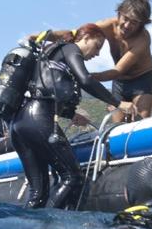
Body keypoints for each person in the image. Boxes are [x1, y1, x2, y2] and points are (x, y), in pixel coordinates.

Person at [11, 23, 134, 209]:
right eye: (98, 46)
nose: (98, 53)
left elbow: (45, 90)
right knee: (72, 176)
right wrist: (118, 103)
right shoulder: (70, 48)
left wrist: (71, 114)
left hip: (19, 123)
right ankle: (49, 228)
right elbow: (85, 79)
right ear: (84, 38)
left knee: (38, 191)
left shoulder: (52, 55)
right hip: (37, 119)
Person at [41, 0, 152, 122]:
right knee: (117, 125)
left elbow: (118, 71)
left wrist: (89, 78)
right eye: (126, 18)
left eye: (134, 23)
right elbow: (76, 34)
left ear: (142, 24)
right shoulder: (107, 25)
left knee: (140, 120)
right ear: (119, 13)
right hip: (119, 82)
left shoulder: (142, 40)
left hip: (141, 80)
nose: (127, 25)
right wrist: (41, 36)